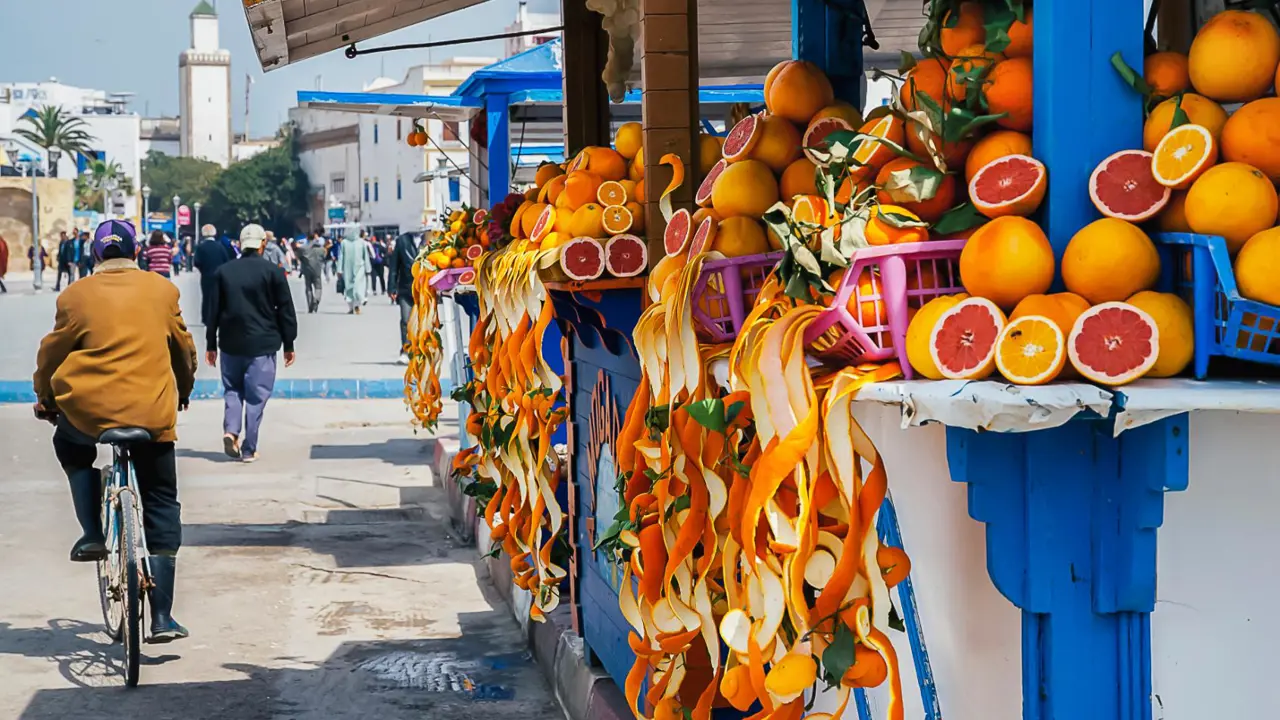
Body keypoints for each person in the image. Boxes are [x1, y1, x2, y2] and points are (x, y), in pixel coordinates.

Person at [32, 219, 197, 644]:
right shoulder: (162, 291)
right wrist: (183, 390)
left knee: (71, 448)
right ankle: (162, 617)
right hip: (151, 413)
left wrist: (46, 399)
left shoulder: (75, 295)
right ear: (137, 252)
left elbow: (51, 355)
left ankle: (91, 533)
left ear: (94, 255)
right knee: (161, 498)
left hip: (89, 413)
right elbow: (183, 348)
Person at [205, 224, 298, 463]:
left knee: (232, 390)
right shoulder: (273, 272)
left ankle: (231, 431)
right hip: (262, 344)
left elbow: (212, 310)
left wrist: (210, 344)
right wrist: (289, 343)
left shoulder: (223, 272)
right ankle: (248, 448)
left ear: (240, 243)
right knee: (257, 397)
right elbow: (285, 309)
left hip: (230, 342)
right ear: (262, 244)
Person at [387, 231, 422, 364]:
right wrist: (391, 287)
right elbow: (394, 266)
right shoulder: (402, 240)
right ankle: (406, 351)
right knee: (406, 320)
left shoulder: (431, 238)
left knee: (422, 322)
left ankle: (420, 351)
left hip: (424, 290)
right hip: (405, 288)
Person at [193, 224, 232, 326]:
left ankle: (206, 317)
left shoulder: (201, 247)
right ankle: (218, 316)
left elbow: (196, 262)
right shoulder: (220, 246)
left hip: (206, 275)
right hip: (219, 276)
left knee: (206, 297)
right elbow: (226, 260)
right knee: (219, 297)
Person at [338, 229, 371, 314]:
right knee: (350, 288)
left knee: (356, 286)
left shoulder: (360, 242)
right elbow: (341, 256)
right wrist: (339, 269)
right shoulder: (344, 243)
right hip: (352, 268)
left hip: (357, 268)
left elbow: (365, 255)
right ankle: (352, 307)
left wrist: (339, 269)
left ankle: (358, 302)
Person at [297, 232, 326, 314]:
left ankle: (310, 304)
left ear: (307, 238)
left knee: (308, 287)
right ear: (314, 238)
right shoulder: (320, 248)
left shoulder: (303, 248)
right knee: (318, 287)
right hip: (317, 269)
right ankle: (316, 300)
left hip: (307, 269)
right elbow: (323, 257)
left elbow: (300, 257)